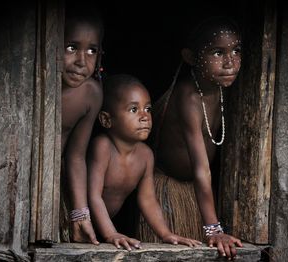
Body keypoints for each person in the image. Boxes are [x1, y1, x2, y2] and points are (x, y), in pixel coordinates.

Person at [137, 16, 243, 259]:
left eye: (236, 50)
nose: (230, 62)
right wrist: (213, 229)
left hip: (196, 195)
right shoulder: (189, 96)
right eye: (217, 53)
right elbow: (201, 168)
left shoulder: (221, 88)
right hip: (169, 194)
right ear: (190, 58)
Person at [87, 74, 202, 250]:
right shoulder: (102, 147)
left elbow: (147, 199)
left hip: (108, 226)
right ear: (106, 119)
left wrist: (166, 234)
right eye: (134, 110)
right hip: (84, 223)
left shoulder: (145, 155)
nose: (144, 116)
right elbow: (93, 195)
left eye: (147, 109)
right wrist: (110, 233)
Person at [61, 6, 104, 244]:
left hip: (50, 184)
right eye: (71, 47)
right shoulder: (30, 81)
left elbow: (75, 157)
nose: (81, 61)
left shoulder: (90, 94)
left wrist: (80, 214)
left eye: (91, 50)